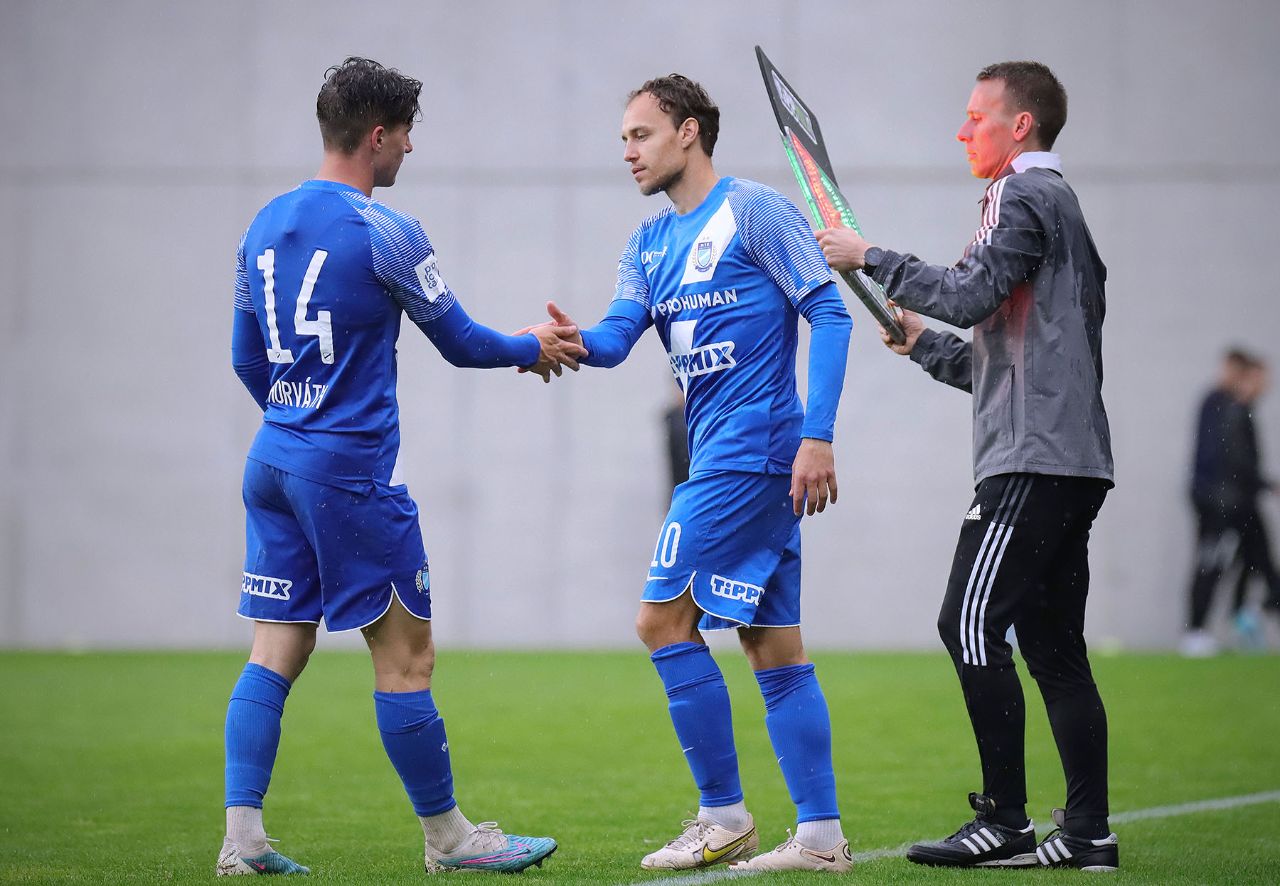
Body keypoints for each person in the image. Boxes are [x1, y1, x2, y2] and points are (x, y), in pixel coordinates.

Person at [221, 57, 579, 877]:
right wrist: (532, 346)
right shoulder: (386, 230)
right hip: (348, 476)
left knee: (274, 652)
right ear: (377, 135)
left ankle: (242, 842)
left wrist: (297, 418)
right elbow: (462, 342)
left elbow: (247, 359)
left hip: (271, 462)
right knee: (406, 658)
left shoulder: (260, 226)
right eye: (407, 134)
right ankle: (450, 840)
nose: (411, 149)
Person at [533, 73, 855, 873]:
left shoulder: (756, 210)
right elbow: (617, 339)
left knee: (660, 620)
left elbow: (830, 311)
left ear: (689, 132)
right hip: (725, 455)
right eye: (623, 139)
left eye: (641, 134)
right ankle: (820, 838)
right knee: (771, 644)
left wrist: (818, 436)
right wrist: (573, 341)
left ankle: (723, 817)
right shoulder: (647, 242)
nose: (628, 151)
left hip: (755, 451)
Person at [817, 61, 1119, 871]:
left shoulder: (1022, 194)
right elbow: (1006, 360)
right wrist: (924, 345)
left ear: (1020, 125)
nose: (962, 131)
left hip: (1032, 463)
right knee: (1054, 651)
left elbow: (966, 294)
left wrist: (869, 255)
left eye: (976, 117)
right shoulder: (1056, 206)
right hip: (1071, 461)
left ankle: (1006, 822)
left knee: (968, 623)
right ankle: (1088, 834)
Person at [1182, 349, 1279, 656]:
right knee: (1216, 563)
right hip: (1223, 505)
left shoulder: (1233, 407)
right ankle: (1197, 631)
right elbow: (1232, 460)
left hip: (1233, 503)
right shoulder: (1225, 406)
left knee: (1253, 562)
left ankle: (1240, 620)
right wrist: (1265, 485)